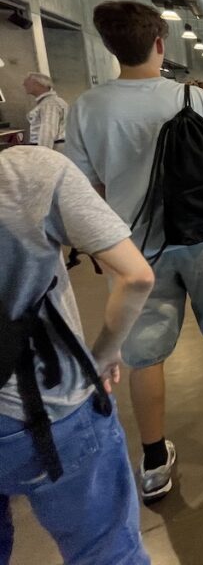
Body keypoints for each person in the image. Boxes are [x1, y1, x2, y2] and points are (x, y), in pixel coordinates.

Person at [64, 1, 203, 504]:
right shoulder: (195, 99)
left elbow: (83, 190)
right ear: (159, 43)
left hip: (135, 249)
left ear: (110, 46)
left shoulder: (87, 107)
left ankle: (153, 461)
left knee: (144, 355)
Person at [1, 147, 155, 564]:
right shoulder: (27, 170)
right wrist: (103, 355)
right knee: (106, 552)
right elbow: (136, 276)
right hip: (46, 406)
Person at [22, 72, 68, 150]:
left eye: (27, 83)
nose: (23, 84)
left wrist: (42, 153)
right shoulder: (48, 102)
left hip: (53, 148)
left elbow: (48, 132)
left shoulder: (50, 104)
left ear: (39, 84)